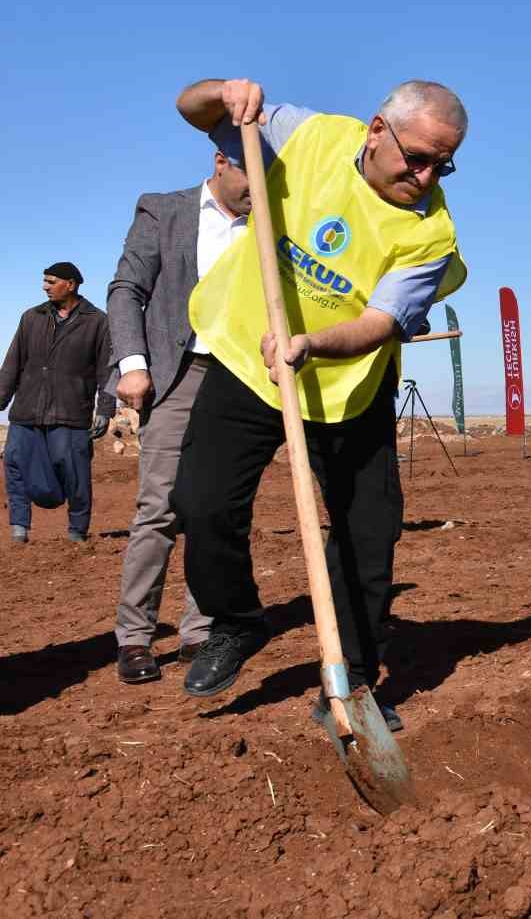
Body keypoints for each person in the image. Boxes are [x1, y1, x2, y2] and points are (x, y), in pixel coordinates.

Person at [168, 78, 467, 729]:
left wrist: (311, 343)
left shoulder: (431, 234)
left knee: (370, 531)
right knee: (201, 501)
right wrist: (224, 91)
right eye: (415, 157)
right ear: (376, 129)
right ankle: (237, 621)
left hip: (347, 388)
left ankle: (352, 682)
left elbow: (383, 323)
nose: (425, 175)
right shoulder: (309, 136)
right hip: (249, 358)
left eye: (441, 165)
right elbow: (192, 110)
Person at [104, 149, 253, 684]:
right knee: (161, 507)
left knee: (214, 507)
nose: (259, 188)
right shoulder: (163, 211)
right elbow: (126, 290)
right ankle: (136, 637)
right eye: (250, 174)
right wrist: (134, 364)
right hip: (177, 372)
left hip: (241, 377)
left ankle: (201, 630)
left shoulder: (269, 224)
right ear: (220, 161)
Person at [0, 263, 114, 544]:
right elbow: (12, 365)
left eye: (51, 281)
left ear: (71, 284)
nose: (45, 286)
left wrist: (105, 410)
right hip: (27, 411)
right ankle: (19, 529)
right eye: (45, 281)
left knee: (75, 474)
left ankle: (76, 533)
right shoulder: (31, 317)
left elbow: (108, 370)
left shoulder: (97, 322)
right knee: (14, 463)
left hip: (71, 413)